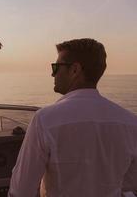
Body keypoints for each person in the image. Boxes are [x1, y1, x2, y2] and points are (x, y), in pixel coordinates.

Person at [8, 38, 137, 197]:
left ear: (75, 70)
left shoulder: (45, 120)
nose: (52, 73)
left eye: (56, 67)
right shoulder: (131, 122)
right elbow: (130, 184)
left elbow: (21, 190)